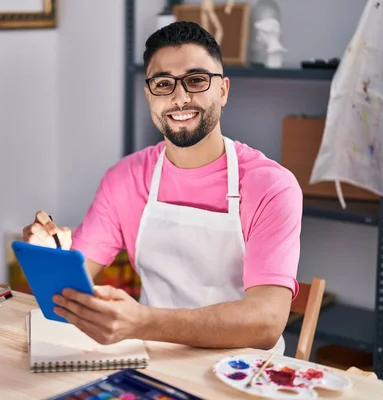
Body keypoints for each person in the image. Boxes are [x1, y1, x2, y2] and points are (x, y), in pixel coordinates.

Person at [21, 21, 302, 354]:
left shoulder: (270, 186)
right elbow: (70, 282)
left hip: (242, 373)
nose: (179, 98)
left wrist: (144, 323)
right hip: (150, 362)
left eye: (196, 80)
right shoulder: (125, 178)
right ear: (148, 95)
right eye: (163, 84)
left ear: (223, 90)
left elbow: (267, 322)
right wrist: (48, 256)